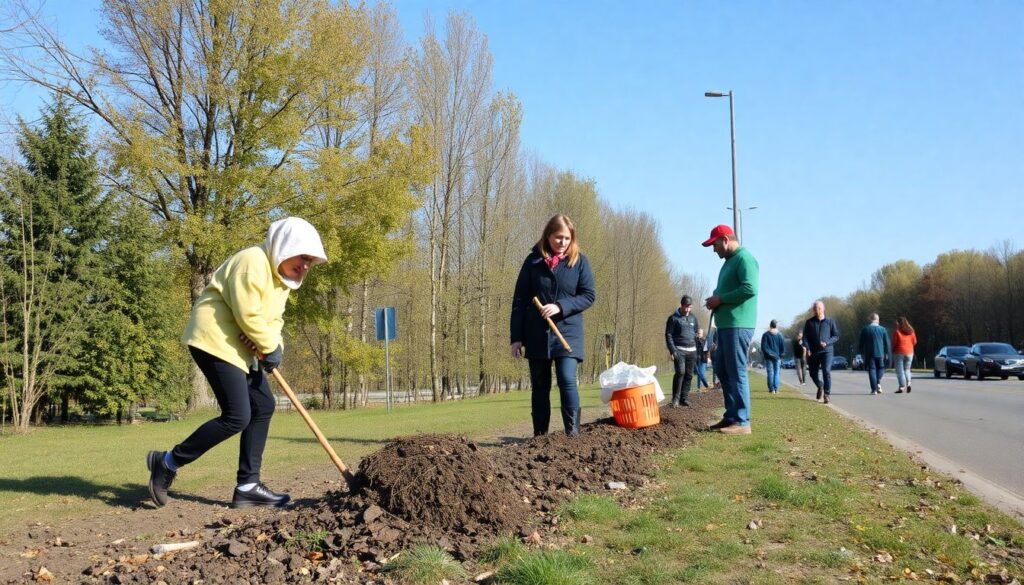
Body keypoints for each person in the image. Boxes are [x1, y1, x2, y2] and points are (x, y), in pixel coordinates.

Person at [147, 217, 328, 509]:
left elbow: (273, 321)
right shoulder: (252, 261)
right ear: (285, 247)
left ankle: (248, 486)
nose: (306, 265)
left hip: (241, 350)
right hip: (214, 340)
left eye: (311, 261)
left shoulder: (281, 282)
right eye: (303, 257)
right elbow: (248, 314)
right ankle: (166, 462)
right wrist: (267, 346)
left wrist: (274, 348)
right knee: (237, 416)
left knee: (263, 406)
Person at [511, 214, 596, 437]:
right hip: (537, 334)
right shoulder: (533, 262)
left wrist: (560, 306)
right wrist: (516, 337)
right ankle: (540, 436)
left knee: (567, 379)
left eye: (567, 238)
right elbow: (519, 300)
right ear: (548, 235)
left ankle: (573, 435)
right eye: (558, 238)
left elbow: (588, 296)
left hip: (568, 333)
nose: (563, 243)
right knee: (540, 386)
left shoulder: (579, 262)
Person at [702, 224, 759, 435]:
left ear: (725, 239)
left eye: (714, 244)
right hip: (726, 325)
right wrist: (715, 299)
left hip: (738, 324)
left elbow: (750, 288)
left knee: (736, 371)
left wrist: (721, 299)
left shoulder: (744, 259)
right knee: (723, 370)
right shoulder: (729, 262)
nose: (713, 249)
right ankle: (731, 417)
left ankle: (742, 422)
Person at [665, 295, 700, 407]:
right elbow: (668, 335)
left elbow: (696, 332)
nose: (687, 310)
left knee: (689, 375)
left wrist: (698, 338)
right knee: (680, 372)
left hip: (692, 350)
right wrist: (672, 350)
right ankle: (675, 399)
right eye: (685, 307)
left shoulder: (693, 318)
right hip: (679, 350)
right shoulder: (673, 318)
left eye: (689, 307)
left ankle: (684, 398)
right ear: (681, 305)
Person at [802, 300, 840, 404]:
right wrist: (808, 348)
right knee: (812, 373)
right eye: (815, 308)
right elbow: (805, 338)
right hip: (813, 352)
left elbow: (836, 336)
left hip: (827, 351)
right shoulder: (809, 322)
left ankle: (827, 394)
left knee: (826, 371)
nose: (817, 310)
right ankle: (820, 385)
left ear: (823, 309)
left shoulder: (830, 321)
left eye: (819, 308)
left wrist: (827, 342)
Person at [858, 313, 892, 395]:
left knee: (872, 370)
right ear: (878, 320)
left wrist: (861, 353)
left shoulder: (865, 329)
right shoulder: (883, 329)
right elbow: (886, 342)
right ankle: (878, 382)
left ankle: (874, 390)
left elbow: (861, 343)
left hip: (869, 353)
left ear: (870, 319)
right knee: (881, 368)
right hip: (880, 353)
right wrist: (887, 352)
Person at [892, 316, 917, 393]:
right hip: (910, 352)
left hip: (899, 352)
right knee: (907, 369)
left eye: (897, 323)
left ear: (899, 323)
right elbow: (915, 342)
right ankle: (909, 383)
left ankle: (902, 387)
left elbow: (894, 343)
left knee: (900, 371)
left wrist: (893, 350)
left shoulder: (897, 332)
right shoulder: (911, 331)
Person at [760, 320, 785, 394]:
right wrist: (781, 355)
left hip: (768, 357)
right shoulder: (780, 335)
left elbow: (763, 347)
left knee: (770, 373)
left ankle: (771, 389)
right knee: (777, 373)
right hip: (777, 357)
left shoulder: (765, 334)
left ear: (770, 325)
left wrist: (767, 354)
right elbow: (782, 347)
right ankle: (776, 389)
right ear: (776, 326)